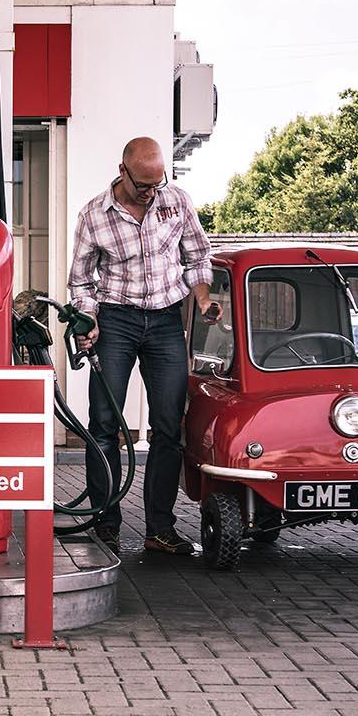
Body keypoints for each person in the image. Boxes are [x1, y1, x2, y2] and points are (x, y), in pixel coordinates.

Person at [67, 136, 217, 555]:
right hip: (116, 320)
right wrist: (88, 317)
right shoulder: (94, 215)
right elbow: (81, 280)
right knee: (103, 425)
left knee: (169, 427)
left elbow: (197, 257)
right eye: (143, 185)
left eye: (157, 184)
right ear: (123, 171)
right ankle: (105, 522)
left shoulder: (177, 201)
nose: (152, 193)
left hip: (167, 320)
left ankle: (160, 530)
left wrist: (203, 298)